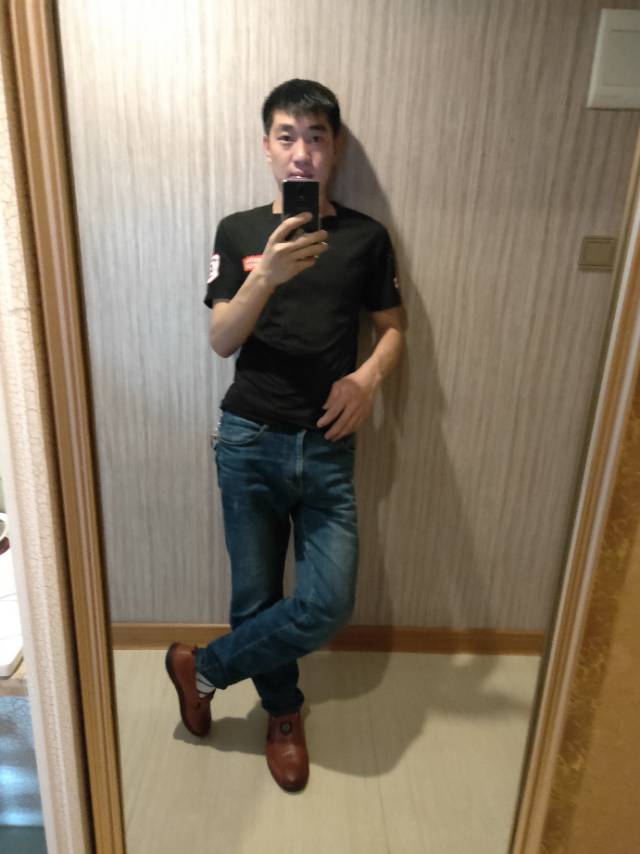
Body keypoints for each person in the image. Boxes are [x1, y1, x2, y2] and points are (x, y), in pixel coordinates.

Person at [165, 79, 404, 792]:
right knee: (255, 599)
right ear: (266, 147)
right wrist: (263, 277)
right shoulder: (237, 231)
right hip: (248, 439)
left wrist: (367, 380)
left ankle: (201, 668)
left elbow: (394, 331)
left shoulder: (366, 237)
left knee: (327, 602)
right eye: (287, 137)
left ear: (336, 148)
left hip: (328, 443)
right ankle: (282, 712)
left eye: (316, 137)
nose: (302, 153)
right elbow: (221, 341)